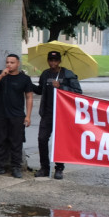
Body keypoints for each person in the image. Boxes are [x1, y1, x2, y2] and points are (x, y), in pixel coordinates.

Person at [34, 50, 82, 180]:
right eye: (50, 60)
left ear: (59, 61)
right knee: (42, 139)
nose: (53, 63)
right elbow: (39, 90)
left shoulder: (67, 74)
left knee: (59, 141)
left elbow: (78, 92)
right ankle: (44, 167)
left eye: (55, 60)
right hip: (47, 113)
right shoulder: (45, 74)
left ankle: (59, 168)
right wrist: (27, 83)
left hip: (62, 114)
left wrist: (61, 87)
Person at [0, 54, 34, 178]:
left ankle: (16, 167)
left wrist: (28, 116)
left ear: (18, 64)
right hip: (0, 114)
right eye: (7, 62)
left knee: (16, 142)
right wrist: (2, 75)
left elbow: (29, 97)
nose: (9, 65)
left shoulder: (24, 79)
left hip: (17, 115)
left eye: (12, 62)